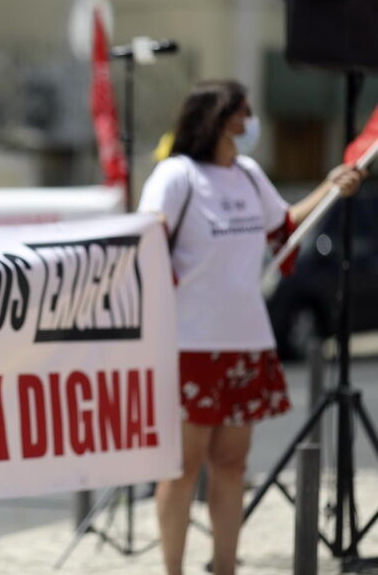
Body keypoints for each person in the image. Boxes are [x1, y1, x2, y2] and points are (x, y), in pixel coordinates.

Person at [138, 79, 363, 575]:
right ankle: (172, 570)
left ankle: (225, 566)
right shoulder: (176, 175)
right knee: (181, 469)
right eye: (243, 112)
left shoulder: (248, 174)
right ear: (218, 118)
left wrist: (331, 186)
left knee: (232, 464)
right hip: (189, 344)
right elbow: (146, 238)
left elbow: (282, 225)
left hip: (246, 341)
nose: (251, 122)